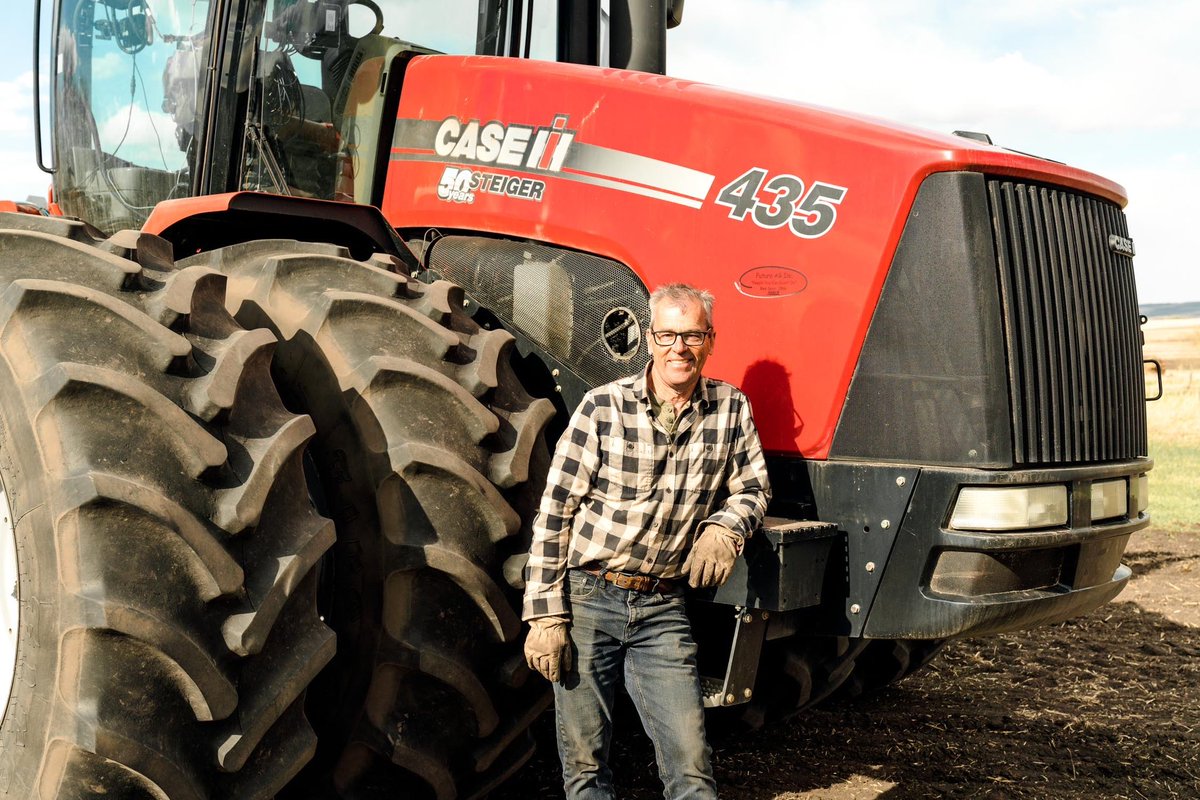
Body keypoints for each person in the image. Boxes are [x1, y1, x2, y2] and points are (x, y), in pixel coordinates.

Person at [522, 283, 771, 800]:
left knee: (691, 764)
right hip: (590, 598)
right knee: (587, 765)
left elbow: (752, 487)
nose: (679, 347)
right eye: (667, 335)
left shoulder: (730, 409)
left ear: (711, 340)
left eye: (692, 335)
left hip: (662, 606)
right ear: (649, 340)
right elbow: (554, 514)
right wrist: (546, 616)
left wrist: (727, 528)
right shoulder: (601, 408)